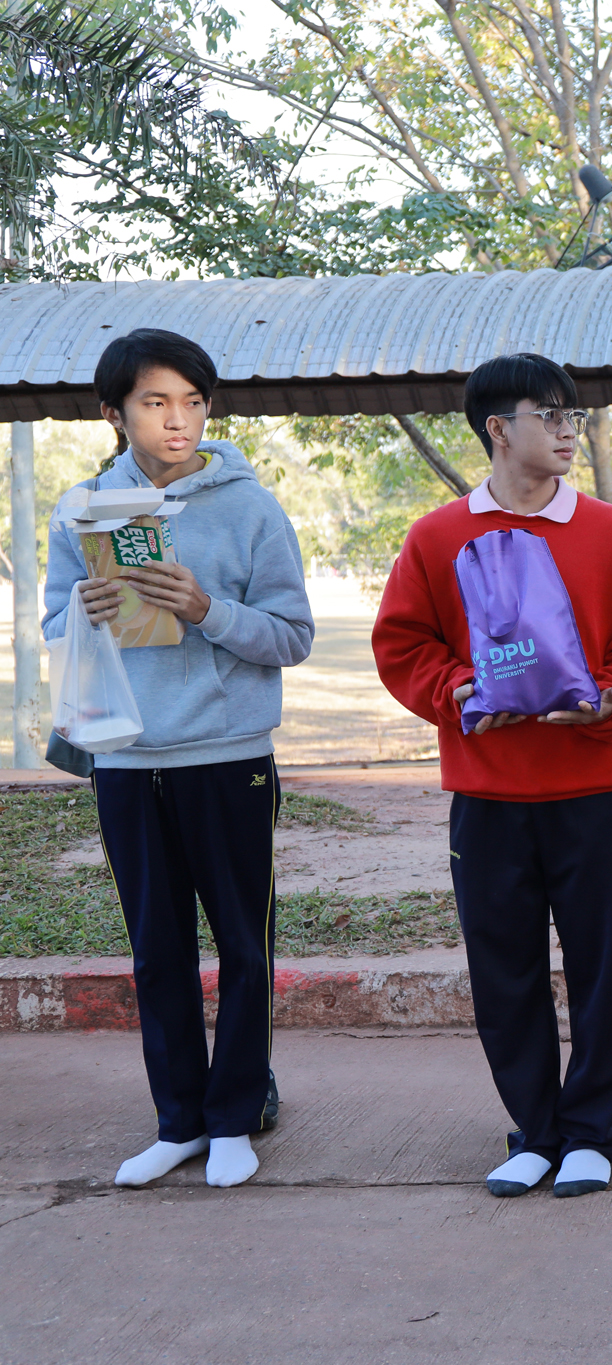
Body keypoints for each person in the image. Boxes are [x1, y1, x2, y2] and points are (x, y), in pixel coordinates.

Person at [374, 353, 612, 1199]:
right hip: (487, 794)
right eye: (552, 414)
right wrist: (457, 692)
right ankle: (535, 1132)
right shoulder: (437, 536)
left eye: (574, 414)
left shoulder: (610, 532)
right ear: (499, 429)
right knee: (503, 968)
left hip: (590, 791)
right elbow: (402, 644)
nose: (570, 430)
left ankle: (590, 1131)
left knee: (603, 966)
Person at [44, 328, 314, 1189]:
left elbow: (293, 636)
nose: (179, 419)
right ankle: (180, 1123)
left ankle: (235, 1117)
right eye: (156, 401)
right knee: (157, 950)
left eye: (193, 402)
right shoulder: (81, 508)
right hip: (126, 761)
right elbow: (53, 630)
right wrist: (84, 611)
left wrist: (206, 609)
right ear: (113, 413)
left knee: (242, 943)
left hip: (228, 756)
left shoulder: (252, 508)